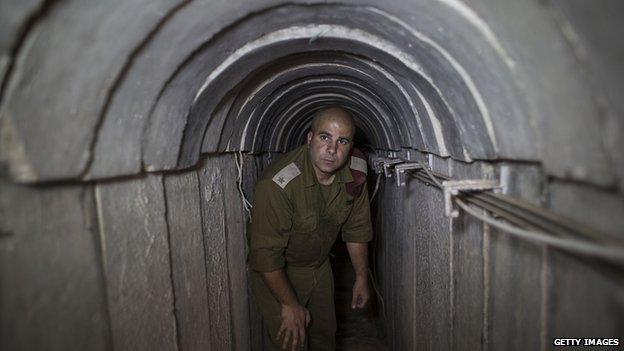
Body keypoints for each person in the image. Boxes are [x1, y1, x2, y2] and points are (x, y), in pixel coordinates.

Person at [248, 106, 374, 350]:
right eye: (324, 137)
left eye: (342, 141)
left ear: (350, 146)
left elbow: (356, 228)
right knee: (292, 342)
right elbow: (265, 256)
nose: (331, 149)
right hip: (278, 270)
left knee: (325, 336)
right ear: (309, 138)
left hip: (318, 265)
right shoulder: (277, 185)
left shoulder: (356, 171)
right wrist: (289, 304)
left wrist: (361, 276)